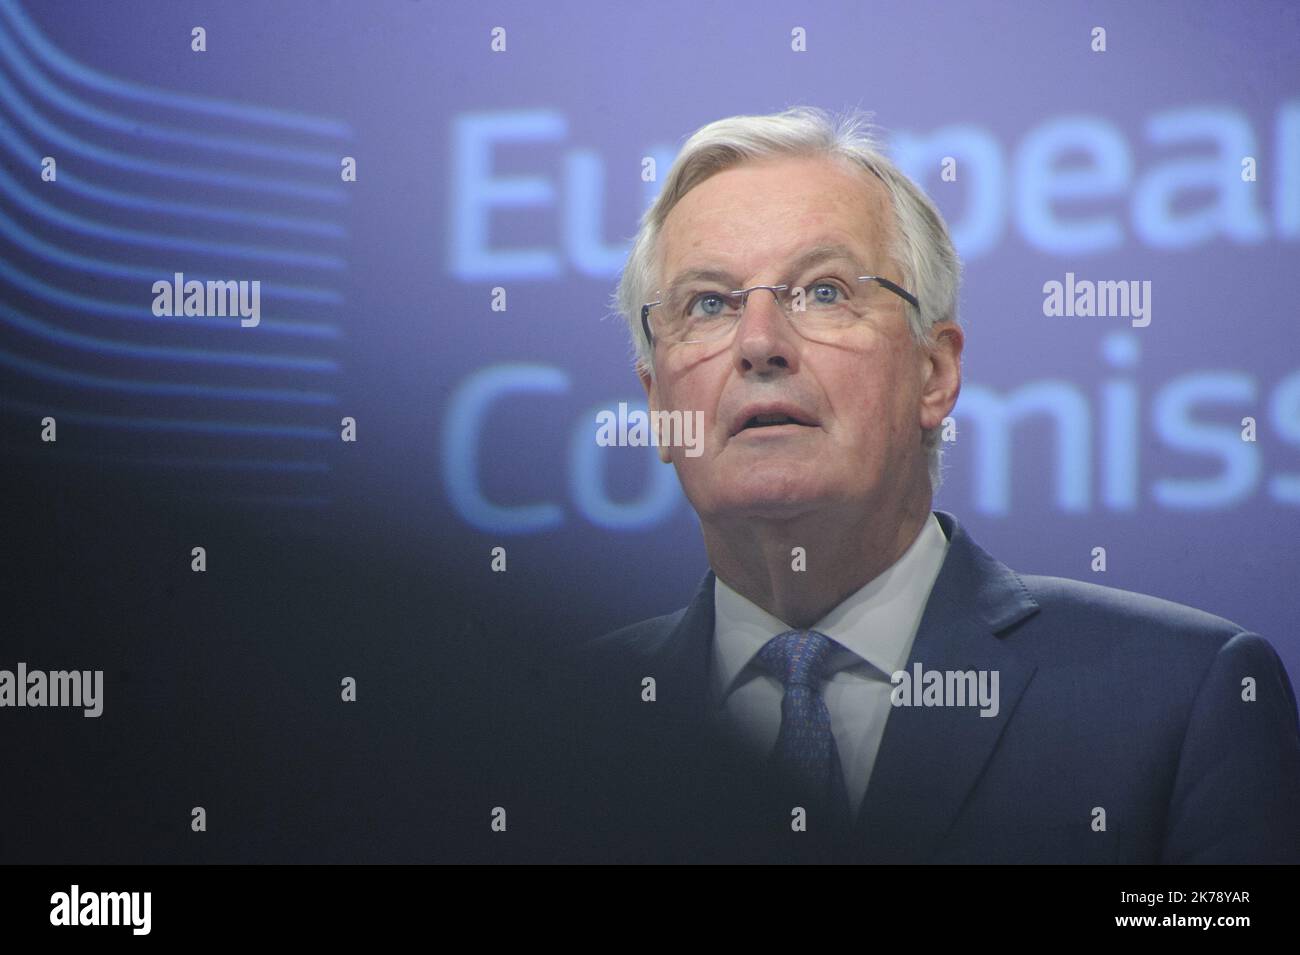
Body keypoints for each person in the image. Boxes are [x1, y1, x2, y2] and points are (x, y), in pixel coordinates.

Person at [541, 106, 1300, 864]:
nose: (760, 344)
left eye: (825, 290)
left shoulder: (1182, 697)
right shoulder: (557, 727)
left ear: (934, 374)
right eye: (708, 304)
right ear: (657, 400)